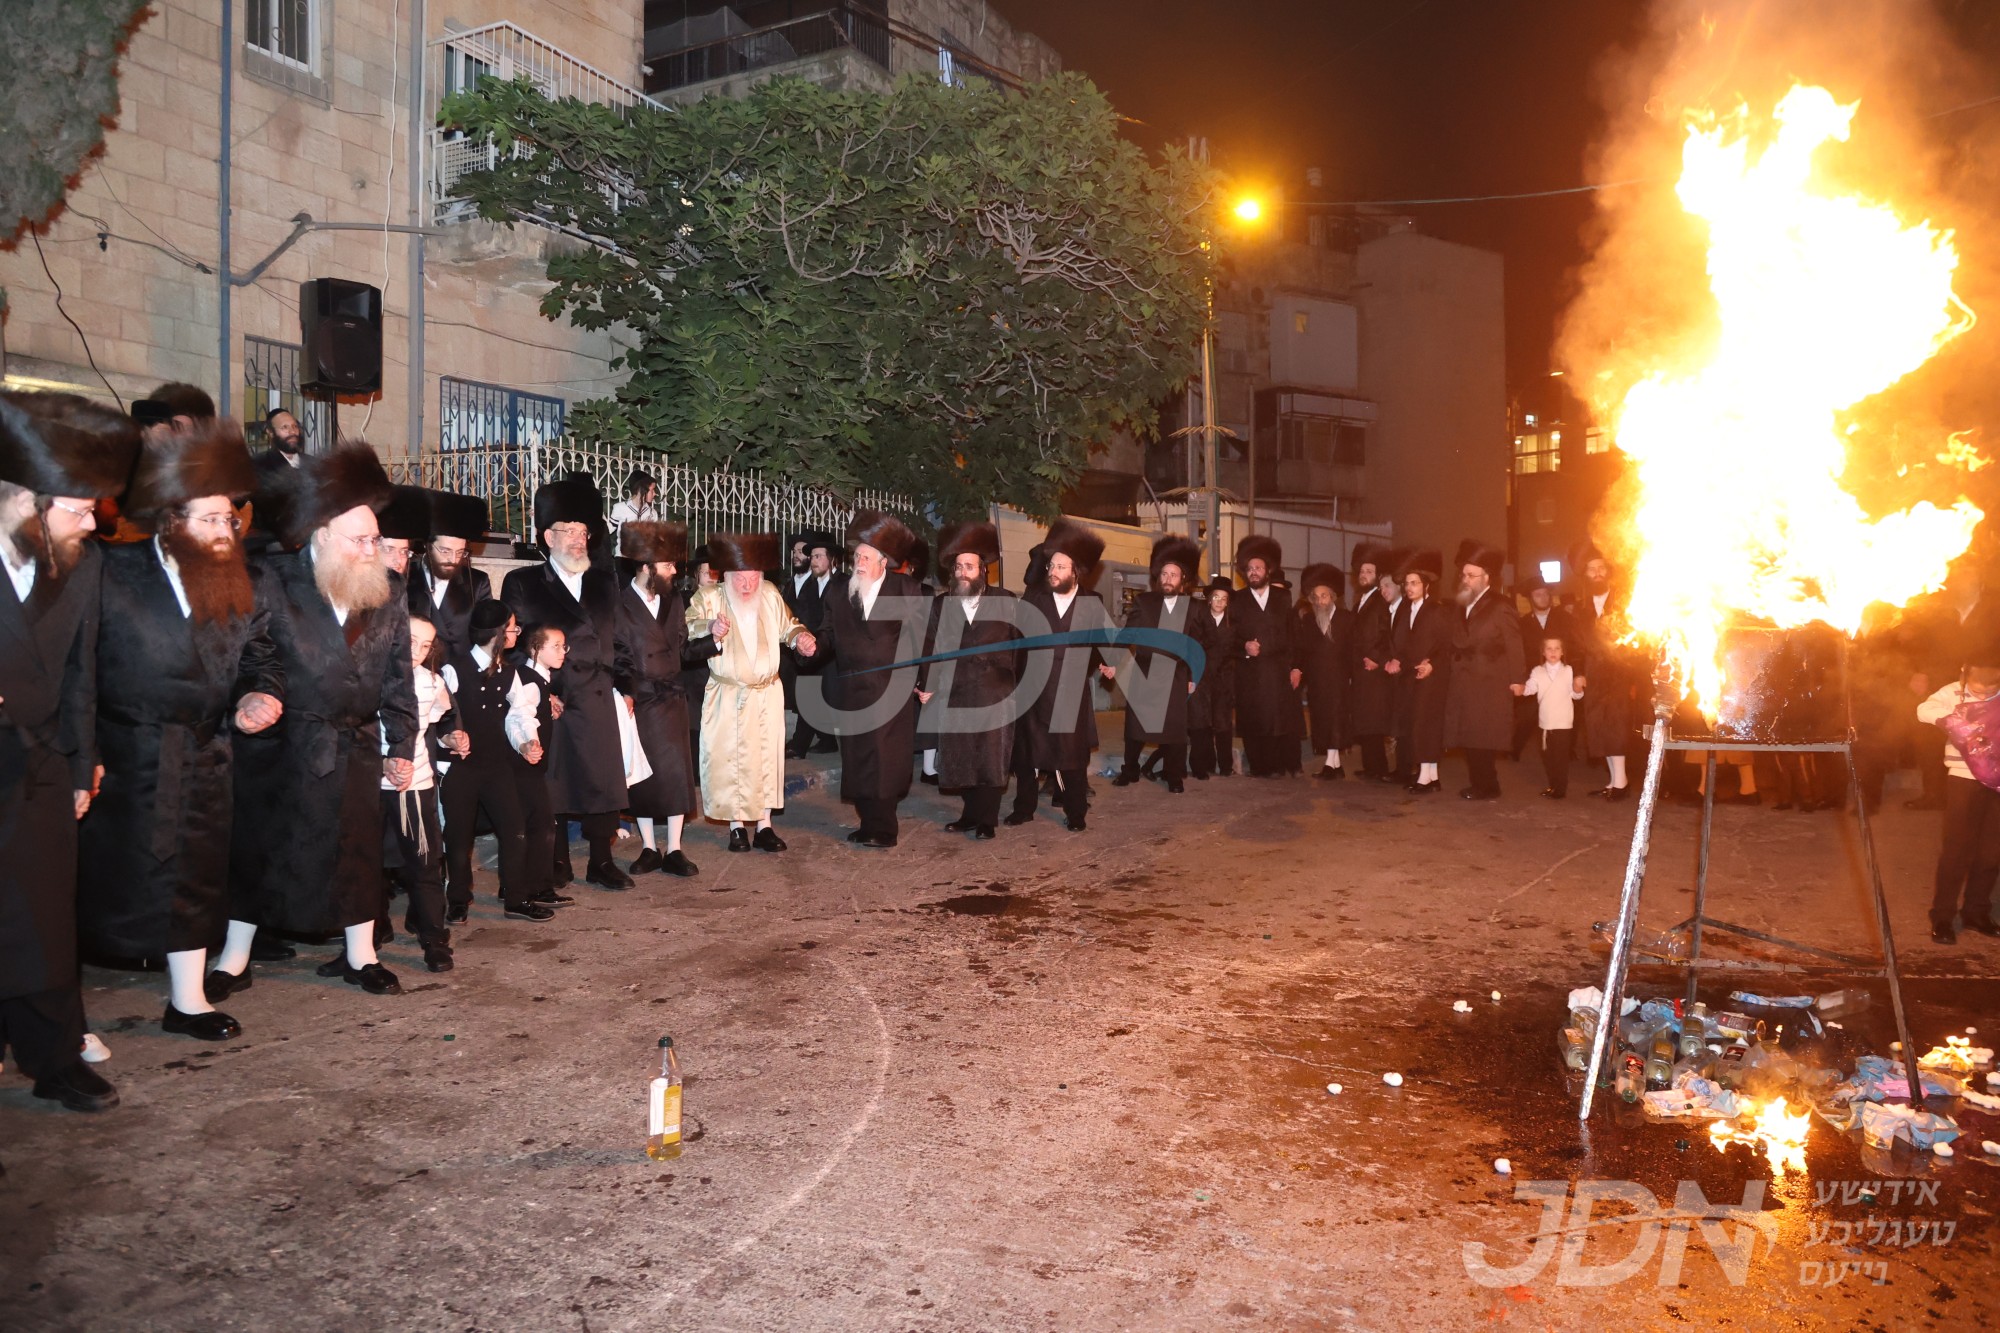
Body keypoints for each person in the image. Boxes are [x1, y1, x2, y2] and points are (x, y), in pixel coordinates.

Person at [75, 416, 283, 1040]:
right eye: (212, 519)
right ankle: (64, 1018)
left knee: (195, 878)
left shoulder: (239, 583)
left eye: (231, 520)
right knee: (99, 885)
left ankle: (188, 999)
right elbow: (76, 667)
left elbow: (261, 657)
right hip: (123, 755)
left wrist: (258, 696)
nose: (227, 531)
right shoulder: (110, 570)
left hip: (205, 752)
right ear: (171, 519)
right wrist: (80, 752)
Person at [223, 440, 418, 997]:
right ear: (323, 534)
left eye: (376, 539)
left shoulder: (389, 588)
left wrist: (401, 742)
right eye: (361, 539)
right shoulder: (269, 577)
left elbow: (399, 671)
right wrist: (252, 700)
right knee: (262, 850)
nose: (371, 549)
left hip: (355, 742)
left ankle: (361, 955)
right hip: (283, 743)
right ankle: (234, 958)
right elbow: (247, 655)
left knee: (357, 853)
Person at [0, 391, 140, 1111]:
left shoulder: (80, 564)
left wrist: (84, 760)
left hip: (47, 764)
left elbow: (81, 671)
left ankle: (54, 1056)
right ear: (27, 500)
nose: (95, 521)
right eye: (81, 507)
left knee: (48, 919)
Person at [501, 475, 632, 891]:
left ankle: (601, 860)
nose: (578, 539)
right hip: (552, 698)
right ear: (547, 535)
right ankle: (556, 860)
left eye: (582, 531)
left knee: (602, 783)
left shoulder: (605, 581)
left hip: (597, 696)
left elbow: (622, 639)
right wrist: (541, 691)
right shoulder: (523, 583)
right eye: (568, 531)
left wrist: (626, 687)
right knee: (553, 783)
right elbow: (512, 646)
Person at [685, 533, 818, 850]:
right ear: (725, 575)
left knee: (765, 759)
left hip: (766, 693)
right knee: (731, 760)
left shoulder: (769, 594)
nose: (747, 585)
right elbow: (688, 626)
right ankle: (735, 827)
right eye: (740, 578)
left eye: (753, 577)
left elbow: (790, 625)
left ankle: (764, 826)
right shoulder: (709, 597)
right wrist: (711, 629)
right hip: (728, 694)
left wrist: (801, 638)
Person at [437, 600, 551, 929]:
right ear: (497, 633)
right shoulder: (453, 669)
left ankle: (516, 898)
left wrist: (527, 741)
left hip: (497, 765)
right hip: (461, 767)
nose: (516, 632)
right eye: (512, 627)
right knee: (458, 837)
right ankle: (457, 900)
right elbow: (441, 713)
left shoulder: (510, 672)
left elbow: (519, 715)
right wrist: (449, 737)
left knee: (514, 829)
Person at [813, 511, 923, 848]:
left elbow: (922, 639)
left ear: (883, 562)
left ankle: (885, 828)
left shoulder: (906, 589)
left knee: (886, 758)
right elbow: (827, 636)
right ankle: (867, 821)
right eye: (857, 556)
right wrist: (810, 646)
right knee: (858, 757)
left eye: (866, 557)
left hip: (891, 688)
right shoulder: (838, 592)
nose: (858, 562)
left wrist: (923, 681)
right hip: (852, 689)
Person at [1009, 519, 1116, 831]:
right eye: (1051, 565)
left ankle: (1076, 812)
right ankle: (1024, 808)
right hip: (1034, 690)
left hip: (1070, 692)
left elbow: (1105, 639)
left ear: (1075, 572)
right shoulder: (1034, 599)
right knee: (1027, 755)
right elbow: (1016, 641)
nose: (1053, 571)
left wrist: (1107, 662)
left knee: (1071, 757)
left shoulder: (1091, 602)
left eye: (1060, 566)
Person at [919, 521, 1019, 838]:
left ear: (983, 571)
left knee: (990, 756)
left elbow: (1022, 646)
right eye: (959, 566)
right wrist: (926, 684)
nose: (964, 572)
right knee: (962, 755)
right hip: (956, 689)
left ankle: (987, 819)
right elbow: (930, 646)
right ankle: (969, 815)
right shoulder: (941, 603)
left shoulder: (1006, 600)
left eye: (970, 566)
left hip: (994, 691)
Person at [613, 522, 701, 877]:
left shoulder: (674, 599)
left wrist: (715, 640)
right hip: (642, 698)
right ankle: (649, 848)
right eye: (668, 565)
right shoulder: (619, 603)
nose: (675, 571)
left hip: (672, 696)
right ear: (647, 566)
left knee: (677, 774)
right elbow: (618, 653)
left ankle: (676, 848)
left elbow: (682, 648)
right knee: (645, 776)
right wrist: (627, 690)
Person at [381, 615, 465, 970]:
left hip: (413, 787)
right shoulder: (367, 677)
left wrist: (452, 737)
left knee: (425, 864)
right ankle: (364, 942)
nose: (417, 649)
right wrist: (384, 761)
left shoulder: (432, 682)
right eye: (411, 639)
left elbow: (438, 725)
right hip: (366, 785)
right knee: (364, 866)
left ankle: (433, 938)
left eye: (426, 644)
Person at [1915, 646, 2000, 944]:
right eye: (1978, 687)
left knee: (1991, 853)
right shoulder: (1953, 692)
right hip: (1963, 779)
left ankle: (1976, 912)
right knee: (1956, 852)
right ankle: (1942, 916)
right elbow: (1923, 710)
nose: (1984, 693)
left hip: (1999, 783)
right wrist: (1952, 719)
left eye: (1992, 687)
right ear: (1965, 674)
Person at [1115, 535, 1202, 793]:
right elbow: (1128, 635)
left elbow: (1196, 645)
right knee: (1135, 728)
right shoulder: (1145, 602)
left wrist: (1193, 676)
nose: (1167, 579)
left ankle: (1174, 776)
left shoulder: (1194, 608)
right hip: (1145, 671)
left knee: (1174, 731)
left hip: (1176, 675)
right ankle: (1129, 770)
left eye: (1173, 575)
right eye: (1164, 574)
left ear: (1183, 580)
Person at [1443, 541, 1523, 801]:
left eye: (1471, 575)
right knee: (1469, 734)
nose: (1465, 580)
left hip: (1489, 679)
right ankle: (1483, 784)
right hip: (1464, 679)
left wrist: (1518, 679)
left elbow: (1514, 642)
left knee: (1483, 735)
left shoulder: (1501, 604)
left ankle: (1486, 785)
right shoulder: (1460, 603)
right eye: (1463, 575)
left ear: (1486, 577)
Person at [1570, 543, 1638, 801]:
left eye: (1601, 568)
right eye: (1591, 570)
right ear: (1585, 575)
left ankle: (1622, 782)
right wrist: (1578, 673)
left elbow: (1636, 641)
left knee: (1616, 725)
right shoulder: (1581, 607)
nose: (1597, 573)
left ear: (1608, 572)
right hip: (1593, 672)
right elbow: (1575, 644)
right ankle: (1613, 781)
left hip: (1619, 671)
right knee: (1599, 726)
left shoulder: (1625, 602)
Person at [1231, 534, 1303, 776]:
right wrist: (1244, 647)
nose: (1254, 572)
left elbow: (1292, 635)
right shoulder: (1236, 600)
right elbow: (1229, 637)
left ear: (1268, 570)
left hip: (1277, 669)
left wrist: (1296, 667)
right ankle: (1260, 766)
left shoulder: (1283, 598)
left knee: (1277, 719)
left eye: (1258, 568)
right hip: (1250, 671)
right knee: (1254, 720)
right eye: (1250, 568)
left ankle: (1278, 764)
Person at [1386, 549, 1451, 793]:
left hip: (1432, 676)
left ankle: (1425, 777)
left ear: (1426, 586)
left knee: (1426, 725)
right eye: (1406, 584)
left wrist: (1431, 663)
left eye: (1414, 583)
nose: (1409, 588)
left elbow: (1446, 645)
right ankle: (1431, 776)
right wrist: (1397, 660)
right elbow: (1402, 642)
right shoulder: (1405, 610)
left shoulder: (1437, 610)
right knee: (1416, 724)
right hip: (1411, 676)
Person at [408, 489, 491, 659]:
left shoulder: (477, 582)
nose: (453, 559)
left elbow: (484, 637)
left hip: (460, 674)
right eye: (445, 551)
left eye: (460, 552)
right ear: (427, 545)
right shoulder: (405, 576)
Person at [1293, 563, 1354, 782]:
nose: (1320, 601)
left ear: (1333, 597)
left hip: (1338, 678)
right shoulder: (1309, 620)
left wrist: (1351, 676)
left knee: (1335, 719)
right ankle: (1334, 765)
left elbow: (1352, 649)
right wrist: (1299, 669)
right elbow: (1303, 649)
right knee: (1321, 719)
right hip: (1317, 680)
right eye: (1316, 597)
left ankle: (1331, 763)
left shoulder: (1347, 618)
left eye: (1324, 596)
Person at [782, 532, 839, 758]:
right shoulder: (789, 584)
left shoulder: (820, 583)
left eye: (803, 552)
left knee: (809, 693)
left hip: (817, 649)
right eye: (794, 552)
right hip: (794, 651)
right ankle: (827, 739)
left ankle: (799, 744)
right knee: (806, 695)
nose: (798, 556)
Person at [1513, 572, 1576, 760]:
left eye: (1545, 593)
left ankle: (1567, 749)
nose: (1543, 597)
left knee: (1563, 714)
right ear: (1530, 598)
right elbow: (1519, 650)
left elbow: (1574, 645)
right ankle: (1515, 748)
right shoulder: (1523, 623)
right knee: (1527, 714)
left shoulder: (1564, 618)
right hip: (1534, 674)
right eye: (1538, 594)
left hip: (1560, 673)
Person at [1348, 544, 1396, 780]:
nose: (1364, 575)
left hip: (1374, 672)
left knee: (1374, 722)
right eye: (1361, 571)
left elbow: (1389, 634)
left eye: (1369, 570)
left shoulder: (1381, 600)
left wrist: (1378, 659)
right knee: (1365, 721)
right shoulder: (1360, 602)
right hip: (1361, 672)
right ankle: (1370, 767)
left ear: (1377, 575)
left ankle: (1379, 769)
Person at [1515, 635, 1584, 798]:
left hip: (1563, 722)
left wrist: (1578, 688)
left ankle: (1560, 788)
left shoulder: (1569, 671)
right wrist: (1522, 689)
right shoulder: (1537, 671)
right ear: (1543, 652)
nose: (1553, 652)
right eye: (1549, 648)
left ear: (1562, 652)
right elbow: (1531, 688)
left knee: (1561, 757)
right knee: (1548, 757)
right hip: (1545, 722)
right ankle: (1553, 784)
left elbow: (1576, 696)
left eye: (1557, 648)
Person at [1188, 577, 1238, 780]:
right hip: (1201, 677)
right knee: (1201, 723)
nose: (1219, 601)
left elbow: (1239, 648)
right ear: (1209, 599)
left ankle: (1226, 765)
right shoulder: (1197, 620)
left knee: (1223, 724)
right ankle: (1202, 766)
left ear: (1228, 602)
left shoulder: (1233, 624)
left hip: (1224, 680)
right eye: (1215, 597)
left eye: (1223, 598)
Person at [607, 469, 658, 537]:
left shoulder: (652, 513)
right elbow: (607, 531)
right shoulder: (620, 508)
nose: (655, 493)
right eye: (652, 490)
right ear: (641, 489)